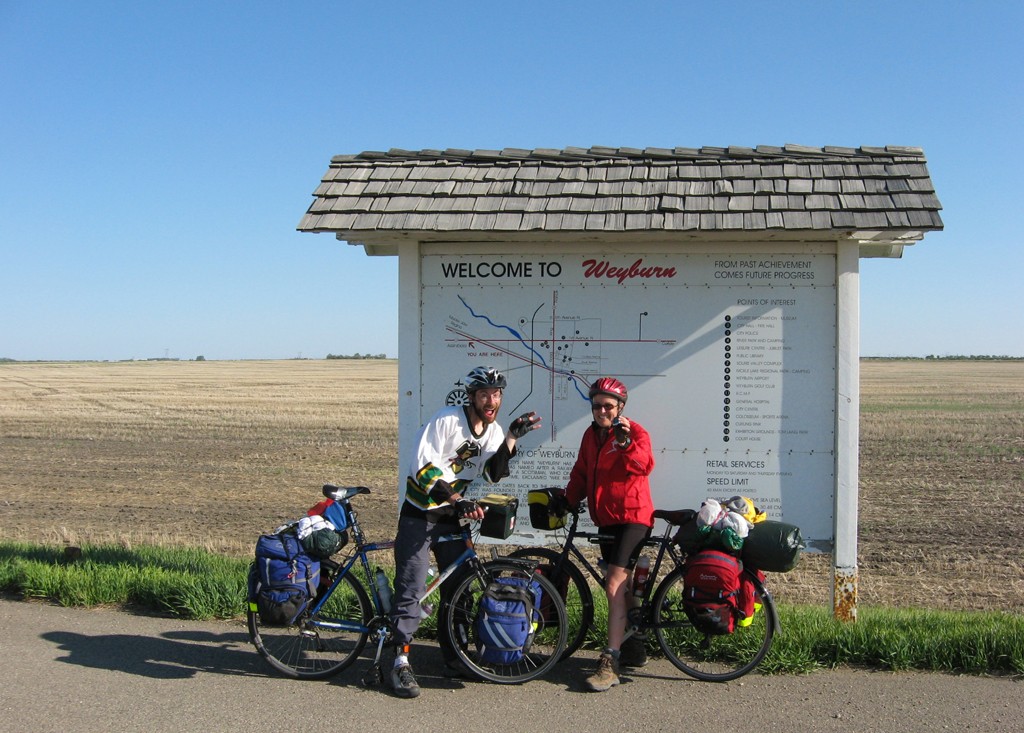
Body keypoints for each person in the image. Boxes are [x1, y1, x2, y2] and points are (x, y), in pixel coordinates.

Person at [388, 366, 541, 698]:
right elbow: (423, 468)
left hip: (452, 517)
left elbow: (493, 474)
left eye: (497, 394)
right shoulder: (446, 421)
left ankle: (455, 656)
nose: (491, 400)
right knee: (411, 586)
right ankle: (400, 660)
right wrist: (457, 499)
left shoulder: (493, 430)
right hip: (421, 514)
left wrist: (512, 437)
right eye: (485, 393)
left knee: (458, 587)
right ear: (471, 396)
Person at [560, 377, 655, 692]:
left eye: (609, 406)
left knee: (614, 583)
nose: (602, 410)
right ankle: (634, 645)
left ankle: (610, 661)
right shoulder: (591, 435)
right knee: (617, 588)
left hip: (633, 517)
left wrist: (625, 443)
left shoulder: (635, 433)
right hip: (606, 518)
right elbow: (582, 472)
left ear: (620, 408)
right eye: (597, 405)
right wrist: (566, 501)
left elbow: (644, 466)